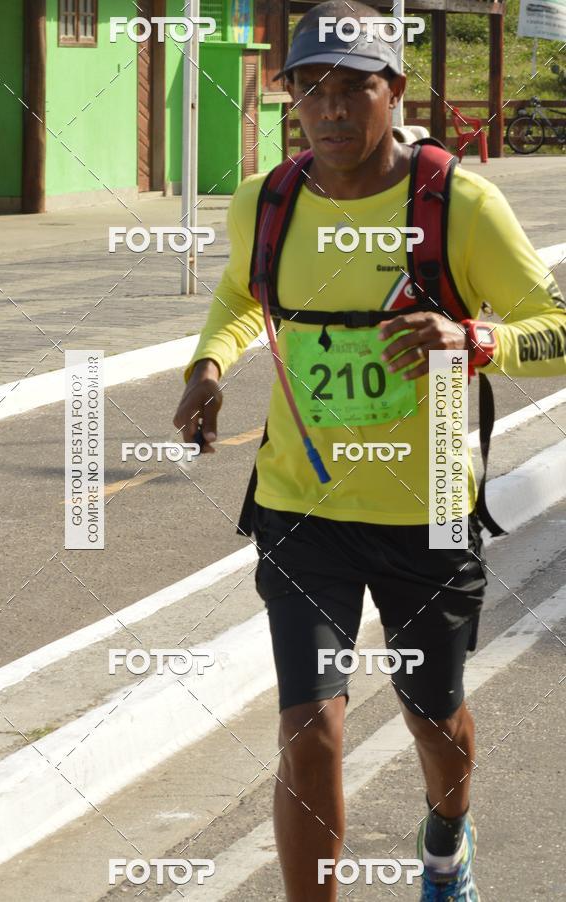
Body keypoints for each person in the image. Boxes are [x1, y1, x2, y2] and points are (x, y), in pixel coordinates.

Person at [174, 2, 566, 899]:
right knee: (308, 725)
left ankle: (447, 834)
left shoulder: (458, 203)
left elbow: (559, 328)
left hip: (426, 506)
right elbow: (244, 295)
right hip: (299, 507)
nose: (333, 110)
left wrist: (475, 340)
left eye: (356, 88)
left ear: (395, 91)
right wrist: (210, 364)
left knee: (434, 721)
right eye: (312, 90)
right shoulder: (266, 202)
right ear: (291, 102)